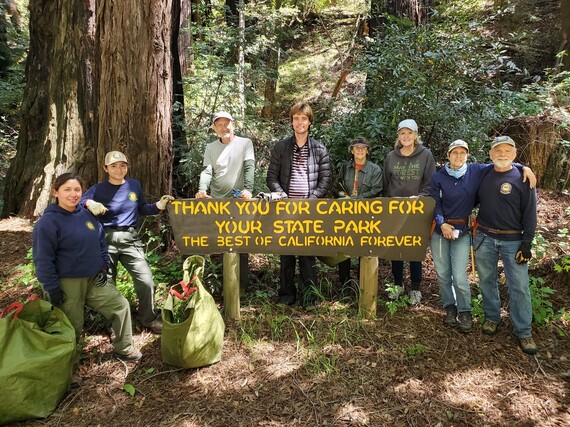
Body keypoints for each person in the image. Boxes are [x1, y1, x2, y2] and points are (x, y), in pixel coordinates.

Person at [430, 139, 536, 333]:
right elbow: (434, 201)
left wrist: (524, 167)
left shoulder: (477, 171)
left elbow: (504, 163)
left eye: (463, 153)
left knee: (465, 277)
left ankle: (519, 329)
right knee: (458, 277)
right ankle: (465, 312)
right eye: (455, 152)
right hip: (462, 233)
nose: (459, 156)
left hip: (485, 234)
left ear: (468, 155)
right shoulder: (443, 176)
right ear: (448, 155)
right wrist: (441, 222)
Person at [33, 173, 142, 361]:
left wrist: (103, 263)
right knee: (72, 325)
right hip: (67, 283)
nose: (73, 194)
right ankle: (68, 368)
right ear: (55, 192)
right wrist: (52, 288)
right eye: (67, 189)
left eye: (77, 189)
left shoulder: (85, 214)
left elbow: (100, 239)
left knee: (120, 305)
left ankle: (124, 348)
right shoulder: (48, 223)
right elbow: (43, 259)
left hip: (94, 279)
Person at [81, 151, 174, 334]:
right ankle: (114, 323)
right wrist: (90, 204)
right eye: (113, 166)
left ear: (127, 167)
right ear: (105, 168)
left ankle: (149, 318)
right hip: (105, 240)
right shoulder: (98, 188)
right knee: (108, 282)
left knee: (146, 280)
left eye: (122, 165)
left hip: (130, 239)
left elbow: (142, 208)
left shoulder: (134, 185)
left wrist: (158, 206)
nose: (118, 169)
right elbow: (81, 201)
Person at [474, 135, 538, 355]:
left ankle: (523, 330)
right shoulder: (483, 173)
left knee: (519, 286)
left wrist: (527, 243)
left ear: (514, 154)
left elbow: (530, 213)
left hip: (513, 240)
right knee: (487, 280)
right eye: (498, 151)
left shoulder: (523, 178)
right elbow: (460, 167)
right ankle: (492, 318)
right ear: (491, 154)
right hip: (484, 237)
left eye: (507, 151)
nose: (502, 155)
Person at [267, 101, 332, 307]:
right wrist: (282, 196)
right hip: (286, 208)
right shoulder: (281, 147)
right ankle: (286, 296)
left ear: (310, 121)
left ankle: (309, 297)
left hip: (309, 209)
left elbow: (326, 179)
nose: (300, 122)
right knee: (286, 255)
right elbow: (272, 178)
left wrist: (312, 200)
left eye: (304, 118)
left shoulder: (320, 149)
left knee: (307, 255)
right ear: (291, 122)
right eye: (296, 118)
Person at [195, 111, 255, 289]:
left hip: (238, 200)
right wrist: (202, 189)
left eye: (226, 123)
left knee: (241, 243)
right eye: (219, 125)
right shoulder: (211, 147)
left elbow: (249, 166)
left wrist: (249, 190)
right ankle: (219, 286)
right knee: (218, 242)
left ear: (233, 124)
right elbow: (207, 171)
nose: (223, 128)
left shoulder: (245, 143)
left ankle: (241, 287)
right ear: (214, 128)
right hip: (217, 200)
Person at [383, 119, 436, 304]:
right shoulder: (391, 156)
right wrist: (389, 202)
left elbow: (430, 182)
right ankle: (397, 285)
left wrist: (420, 197)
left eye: (410, 133)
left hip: (416, 209)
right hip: (394, 209)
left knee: (414, 248)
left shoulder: (425, 155)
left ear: (416, 135)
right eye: (402, 133)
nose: (406, 136)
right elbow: (386, 183)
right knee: (395, 248)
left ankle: (415, 288)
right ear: (398, 136)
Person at [336, 136, 383, 289]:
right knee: (344, 247)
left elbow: (377, 189)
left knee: (364, 247)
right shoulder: (345, 167)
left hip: (366, 214)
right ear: (352, 151)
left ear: (367, 151)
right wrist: (345, 197)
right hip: (346, 214)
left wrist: (357, 199)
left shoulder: (375, 169)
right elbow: (338, 186)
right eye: (357, 148)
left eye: (363, 148)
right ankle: (345, 283)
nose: (360, 150)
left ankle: (363, 281)